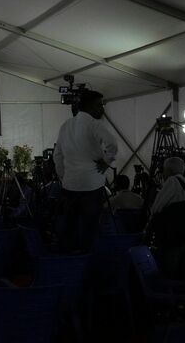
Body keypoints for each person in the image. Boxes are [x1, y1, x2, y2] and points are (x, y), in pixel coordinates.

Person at [54, 90, 118, 251]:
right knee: (90, 228)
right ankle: (88, 259)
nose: (102, 109)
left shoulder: (66, 126)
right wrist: (106, 161)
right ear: (89, 106)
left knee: (70, 228)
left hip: (70, 186)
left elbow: (57, 156)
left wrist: (64, 177)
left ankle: (71, 259)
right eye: (99, 105)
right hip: (92, 186)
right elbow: (112, 144)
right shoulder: (94, 124)